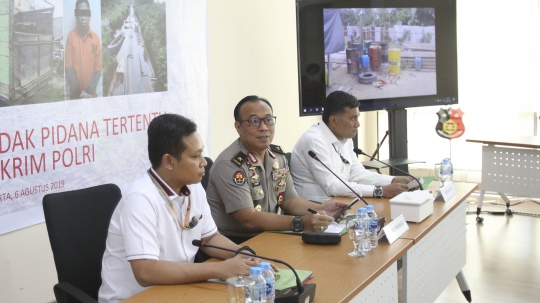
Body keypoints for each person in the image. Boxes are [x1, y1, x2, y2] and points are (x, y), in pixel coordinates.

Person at [99, 114, 259, 303]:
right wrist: (220, 269)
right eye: (195, 156)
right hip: (135, 298)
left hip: (177, 291)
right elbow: (146, 271)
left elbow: (211, 238)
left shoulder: (193, 186)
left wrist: (241, 254)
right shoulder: (140, 198)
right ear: (168, 161)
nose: (204, 162)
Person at [206, 95, 348, 244]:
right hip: (237, 242)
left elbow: (290, 201)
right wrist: (299, 223)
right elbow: (247, 219)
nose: (264, 127)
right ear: (238, 127)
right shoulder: (230, 164)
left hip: (271, 234)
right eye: (254, 121)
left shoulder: (277, 157)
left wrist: (322, 208)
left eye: (268, 120)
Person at [290, 91, 411, 203]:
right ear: (333, 121)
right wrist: (380, 191)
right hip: (314, 211)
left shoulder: (345, 137)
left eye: (357, 117)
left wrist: (393, 180)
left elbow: (357, 174)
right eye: (353, 118)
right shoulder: (314, 141)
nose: (357, 124)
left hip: (340, 204)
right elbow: (332, 187)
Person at [65, 0, 102, 99]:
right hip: (75, 97)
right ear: (76, 16)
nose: (83, 18)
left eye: (85, 13)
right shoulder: (71, 37)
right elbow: (68, 69)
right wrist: (79, 94)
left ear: (89, 15)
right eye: (80, 13)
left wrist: (88, 93)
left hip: (91, 96)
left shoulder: (96, 39)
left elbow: (98, 70)